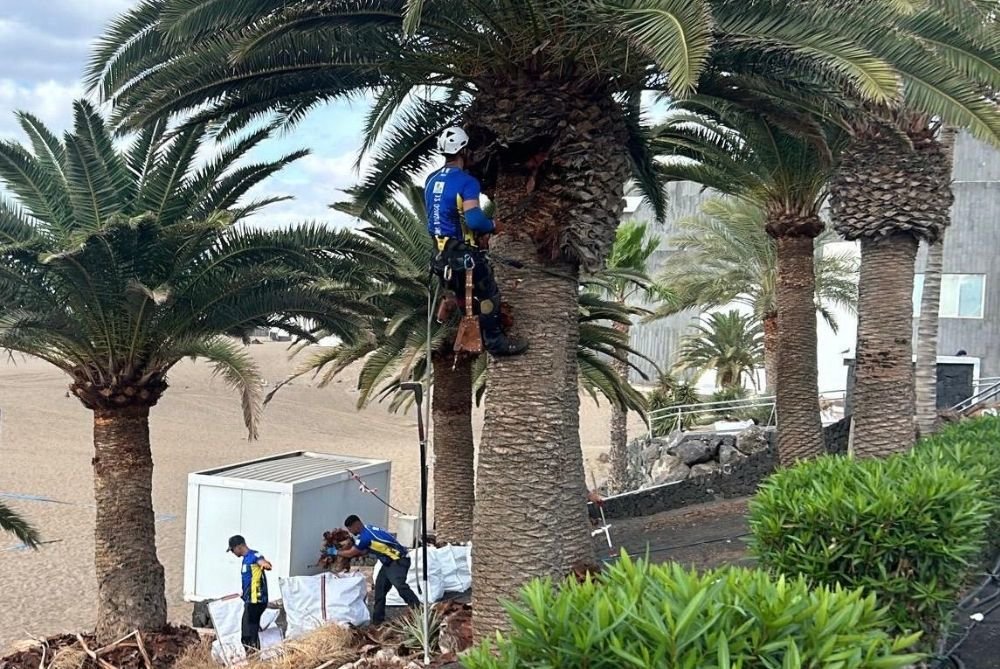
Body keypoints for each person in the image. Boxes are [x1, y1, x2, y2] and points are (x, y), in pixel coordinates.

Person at [425, 127, 527, 356]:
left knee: (463, 295)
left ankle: (468, 336)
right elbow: (474, 220)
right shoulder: (466, 182)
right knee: (488, 294)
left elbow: (439, 215)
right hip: (462, 256)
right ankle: (495, 343)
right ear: (464, 152)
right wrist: (493, 226)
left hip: (440, 256)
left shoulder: (431, 180)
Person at [336, 515, 421, 624]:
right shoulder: (369, 529)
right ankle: (377, 622)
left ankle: (418, 611)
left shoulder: (365, 537)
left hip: (398, 561)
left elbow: (352, 552)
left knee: (400, 585)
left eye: (350, 529)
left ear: (356, 525)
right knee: (380, 590)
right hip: (388, 563)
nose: (351, 532)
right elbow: (365, 550)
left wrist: (336, 552)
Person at [226, 535, 272, 651]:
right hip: (249, 599)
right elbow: (249, 580)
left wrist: (264, 565)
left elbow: (265, 563)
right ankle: (253, 655)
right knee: (248, 632)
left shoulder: (253, 556)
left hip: (256, 601)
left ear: (239, 547)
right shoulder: (245, 560)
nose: (232, 552)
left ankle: (253, 656)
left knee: (249, 633)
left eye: (232, 550)